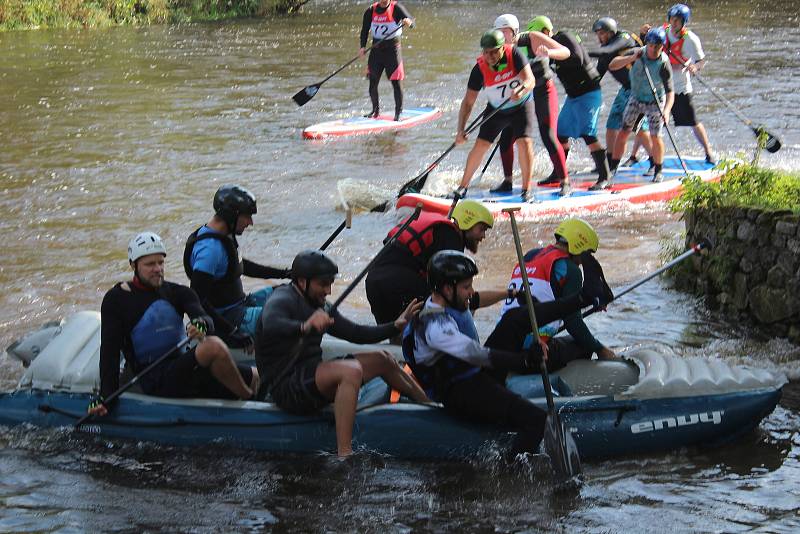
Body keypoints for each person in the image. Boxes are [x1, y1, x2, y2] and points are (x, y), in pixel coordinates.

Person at [402, 251, 587, 459]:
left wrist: (513, 294)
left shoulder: (441, 300)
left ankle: (582, 298)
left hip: (472, 377)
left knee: (513, 319)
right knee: (536, 420)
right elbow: (476, 354)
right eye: (466, 287)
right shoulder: (435, 327)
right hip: (461, 394)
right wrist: (524, 360)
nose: (471, 291)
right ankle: (509, 472)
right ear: (447, 288)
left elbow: (476, 299)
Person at [255, 250, 430, 457]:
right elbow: (271, 323)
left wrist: (395, 326)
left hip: (310, 377)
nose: (328, 291)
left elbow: (356, 333)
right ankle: (344, 455)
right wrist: (304, 326)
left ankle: (430, 406)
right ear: (302, 281)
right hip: (287, 387)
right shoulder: (283, 298)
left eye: (330, 283)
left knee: (382, 359)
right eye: (323, 284)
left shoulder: (320, 306)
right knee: (351, 371)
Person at [87, 232, 258, 418]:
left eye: (161, 262)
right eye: (150, 264)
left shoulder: (178, 292)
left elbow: (204, 318)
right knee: (213, 347)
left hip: (182, 369)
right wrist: (106, 396)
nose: (157, 269)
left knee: (256, 376)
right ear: (133, 265)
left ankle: (249, 399)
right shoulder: (117, 299)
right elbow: (109, 352)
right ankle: (249, 401)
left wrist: (200, 323)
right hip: (153, 377)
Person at [492, 218, 617, 372]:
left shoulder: (531, 256)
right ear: (579, 247)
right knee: (583, 345)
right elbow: (573, 322)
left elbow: (548, 297)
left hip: (501, 342)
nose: (582, 261)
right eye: (587, 254)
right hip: (531, 352)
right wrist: (601, 349)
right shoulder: (571, 270)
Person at [184, 184, 290, 351]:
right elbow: (197, 299)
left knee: (292, 292)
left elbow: (240, 266)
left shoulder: (222, 235)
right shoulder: (209, 250)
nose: (251, 222)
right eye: (247, 216)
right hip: (230, 320)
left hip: (241, 305)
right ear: (230, 215)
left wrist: (286, 273)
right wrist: (232, 332)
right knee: (289, 312)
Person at [365, 200, 504, 328]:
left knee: (396, 334)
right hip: (398, 283)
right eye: (482, 229)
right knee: (456, 303)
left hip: (372, 282)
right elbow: (459, 294)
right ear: (467, 223)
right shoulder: (451, 237)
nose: (483, 236)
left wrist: (507, 294)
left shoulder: (439, 230)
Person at [491, 14, 573, 197]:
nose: (503, 37)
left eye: (506, 32)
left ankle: (565, 182)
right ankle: (507, 182)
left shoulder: (532, 38)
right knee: (505, 139)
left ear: (515, 31)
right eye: (499, 33)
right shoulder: (500, 51)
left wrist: (548, 53)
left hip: (544, 89)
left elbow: (566, 52)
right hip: (522, 95)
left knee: (548, 135)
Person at [528, 16, 613, 191]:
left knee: (587, 133)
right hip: (573, 96)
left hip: (589, 92)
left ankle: (605, 177)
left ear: (545, 33)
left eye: (536, 38)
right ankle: (558, 173)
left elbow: (577, 58)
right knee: (560, 134)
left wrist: (550, 54)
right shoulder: (545, 49)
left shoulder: (564, 37)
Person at [454, 30, 536, 201]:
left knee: (524, 142)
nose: (489, 56)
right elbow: (468, 102)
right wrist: (460, 130)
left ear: (502, 48)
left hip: (521, 106)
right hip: (497, 109)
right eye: (486, 52)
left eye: (494, 51)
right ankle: (463, 187)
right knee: (481, 145)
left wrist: (521, 90)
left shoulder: (514, 54)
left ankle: (526, 190)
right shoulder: (478, 69)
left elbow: (530, 80)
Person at [607, 27, 674, 185]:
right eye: (650, 45)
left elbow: (670, 91)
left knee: (655, 136)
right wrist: (631, 59)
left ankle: (658, 170)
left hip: (655, 101)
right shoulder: (637, 52)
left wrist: (666, 111)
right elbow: (612, 65)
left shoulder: (663, 63)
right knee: (624, 132)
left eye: (657, 46)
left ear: (662, 46)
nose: (653, 49)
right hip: (635, 98)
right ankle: (613, 167)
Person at [589, 17, 655, 175]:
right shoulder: (604, 52)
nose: (600, 37)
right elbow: (597, 76)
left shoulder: (623, 38)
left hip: (641, 90)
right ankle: (610, 162)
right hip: (625, 90)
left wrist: (578, 52)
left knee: (638, 129)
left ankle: (654, 161)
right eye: (598, 34)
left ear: (611, 32)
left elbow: (606, 51)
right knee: (611, 125)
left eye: (603, 33)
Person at [663, 3, 716, 164]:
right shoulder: (663, 32)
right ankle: (637, 156)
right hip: (660, 87)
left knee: (693, 121)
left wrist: (694, 67)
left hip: (680, 88)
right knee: (650, 122)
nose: (674, 23)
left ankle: (708, 152)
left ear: (684, 22)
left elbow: (701, 61)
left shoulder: (691, 39)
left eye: (678, 21)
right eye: (672, 19)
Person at [359, 0, 414, 121]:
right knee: (372, 82)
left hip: (392, 51)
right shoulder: (370, 11)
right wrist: (362, 47)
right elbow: (364, 30)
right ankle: (375, 111)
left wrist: (408, 22)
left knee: (396, 83)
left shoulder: (397, 8)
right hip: (376, 52)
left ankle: (398, 114)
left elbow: (411, 21)